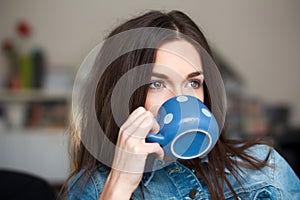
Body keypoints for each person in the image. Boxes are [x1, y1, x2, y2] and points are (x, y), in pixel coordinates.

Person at [65, 10, 300, 199]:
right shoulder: (92, 188)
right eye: (157, 84)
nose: (181, 98)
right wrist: (120, 185)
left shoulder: (265, 169)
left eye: (193, 82)